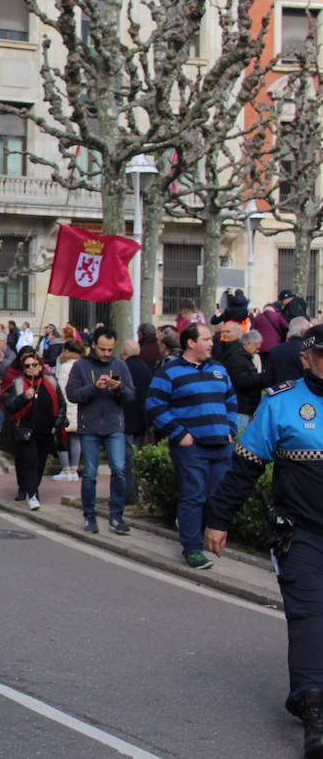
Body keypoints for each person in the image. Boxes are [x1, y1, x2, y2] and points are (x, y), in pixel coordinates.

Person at [205, 324, 323, 759]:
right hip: (303, 532)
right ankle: (314, 708)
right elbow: (245, 470)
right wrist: (218, 519)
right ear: (307, 359)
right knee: (311, 616)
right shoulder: (282, 403)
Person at [146, 321, 237, 569]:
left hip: (221, 445)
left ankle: (208, 535)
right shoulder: (170, 372)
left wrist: (230, 429)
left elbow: (231, 401)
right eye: (206, 339)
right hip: (192, 448)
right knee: (193, 496)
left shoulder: (219, 369)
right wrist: (180, 434)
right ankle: (192, 548)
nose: (211, 343)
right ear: (191, 343)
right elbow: (154, 404)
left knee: (217, 497)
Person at [65, 326, 136, 535]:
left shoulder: (120, 366)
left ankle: (116, 516)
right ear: (93, 345)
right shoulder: (81, 366)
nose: (106, 354)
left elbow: (131, 396)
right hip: (90, 426)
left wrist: (118, 387)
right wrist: (95, 387)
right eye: (102, 349)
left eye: (110, 350)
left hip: (114, 425)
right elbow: (72, 394)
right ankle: (89, 515)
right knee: (89, 474)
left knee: (119, 470)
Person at [0, 350, 67, 510]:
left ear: (40, 366)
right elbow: (10, 407)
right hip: (26, 431)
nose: (31, 368)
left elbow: (61, 404)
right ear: (23, 368)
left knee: (39, 465)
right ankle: (33, 495)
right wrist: (24, 397)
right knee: (30, 462)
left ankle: (31, 489)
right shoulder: (18, 383)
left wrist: (56, 425)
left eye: (34, 365)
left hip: (46, 431)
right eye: (27, 366)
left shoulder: (50, 381)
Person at [224, 328, 269, 432]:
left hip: (247, 406)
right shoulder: (237, 359)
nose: (258, 350)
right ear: (248, 344)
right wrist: (262, 377)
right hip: (242, 407)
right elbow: (243, 381)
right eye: (256, 346)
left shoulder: (244, 358)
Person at [53, 339, 85, 482]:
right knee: (76, 438)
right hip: (79, 406)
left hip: (66, 406)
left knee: (61, 438)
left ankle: (66, 469)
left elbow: (60, 389)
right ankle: (74, 468)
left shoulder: (65, 366)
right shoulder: (83, 365)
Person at [120, 339, 153, 449]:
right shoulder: (146, 368)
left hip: (126, 417)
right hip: (142, 417)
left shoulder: (122, 367)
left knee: (127, 451)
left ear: (123, 352)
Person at [269, 317, 314, 387]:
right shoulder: (308, 350)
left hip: (280, 392)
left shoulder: (275, 350)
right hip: (303, 391)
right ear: (303, 332)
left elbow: (268, 378)